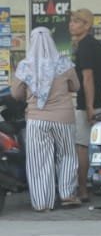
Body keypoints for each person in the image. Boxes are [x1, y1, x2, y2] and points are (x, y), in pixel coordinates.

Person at [13, 27, 81, 212]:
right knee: (66, 155)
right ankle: (67, 194)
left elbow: (15, 93)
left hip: (37, 119)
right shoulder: (64, 63)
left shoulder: (25, 66)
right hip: (64, 118)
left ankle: (43, 202)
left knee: (39, 161)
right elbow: (76, 86)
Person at [68, 8, 101, 202]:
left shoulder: (85, 46)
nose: (72, 24)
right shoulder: (93, 45)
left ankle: (83, 190)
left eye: (77, 21)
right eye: (72, 21)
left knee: (82, 146)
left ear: (87, 25)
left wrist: (89, 106)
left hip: (90, 104)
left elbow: (88, 77)